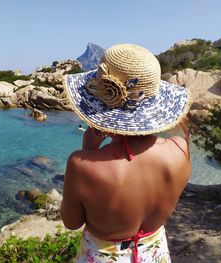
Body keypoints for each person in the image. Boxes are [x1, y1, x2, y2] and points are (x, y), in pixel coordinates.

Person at [62, 44, 191, 262]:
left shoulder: (80, 164)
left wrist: (89, 150)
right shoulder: (180, 149)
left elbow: (71, 222)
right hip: (155, 253)